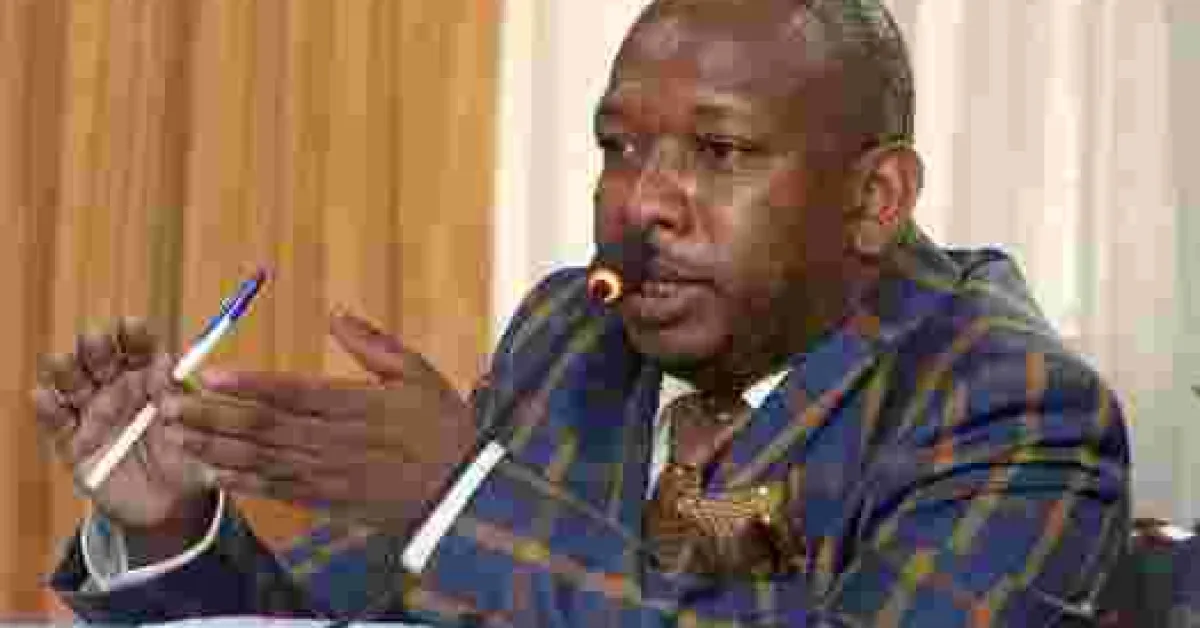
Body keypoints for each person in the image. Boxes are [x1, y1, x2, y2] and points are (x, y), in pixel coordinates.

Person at [34, 0, 1132, 625]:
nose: (642, 202)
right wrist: (168, 523)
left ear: (874, 198)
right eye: (620, 145)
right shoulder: (575, 333)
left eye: (720, 151)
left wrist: (464, 497)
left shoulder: (1011, 409)